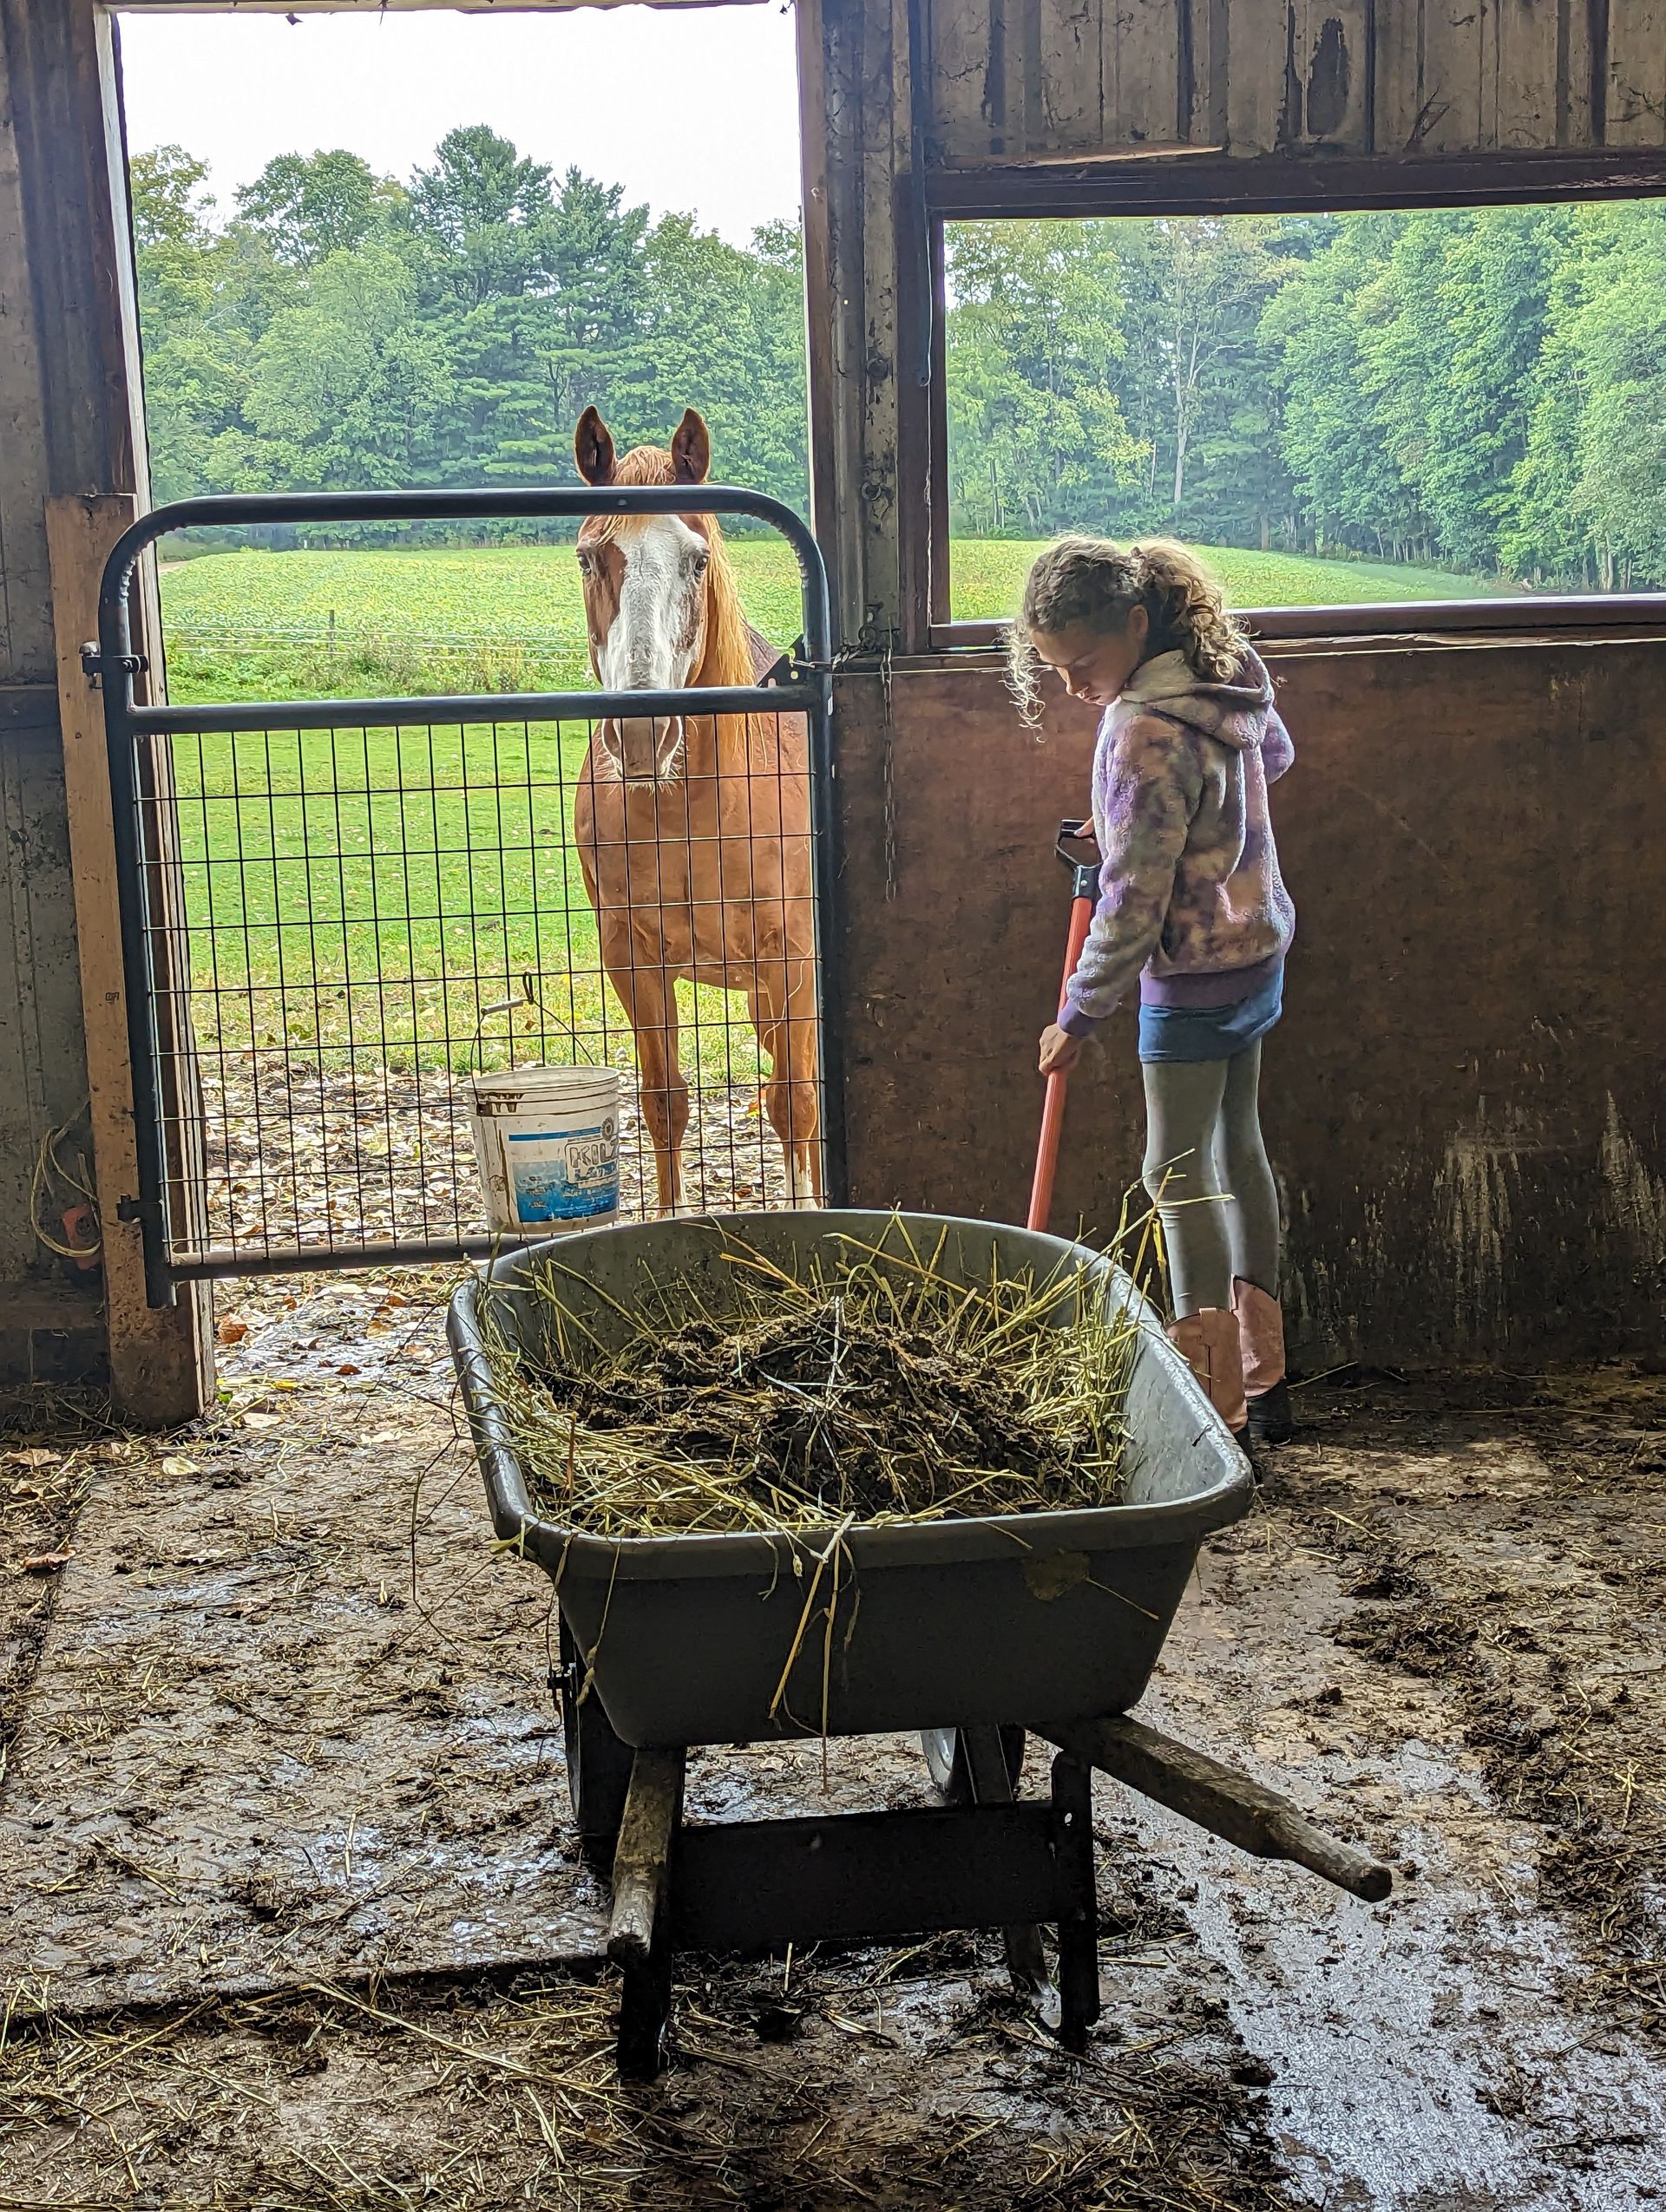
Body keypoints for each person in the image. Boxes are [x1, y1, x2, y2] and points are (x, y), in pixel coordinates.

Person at [1009, 536, 1295, 1447]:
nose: (1073, 686)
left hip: (1191, 973)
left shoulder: (1140, 729)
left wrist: (1079, 1015)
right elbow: (1272, 757)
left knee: (1172, 1174)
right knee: (1237, 1151)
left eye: (1083, 663)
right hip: (1257, 945)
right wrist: (1159, 808)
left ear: (1134, 625)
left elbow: (1132, 900)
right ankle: (1267, 1383)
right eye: (1053, 670)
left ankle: (1217, 1412)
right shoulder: (1229, 678)